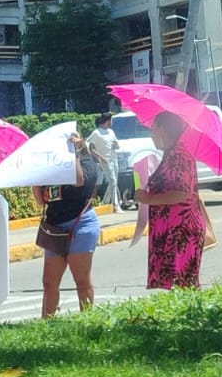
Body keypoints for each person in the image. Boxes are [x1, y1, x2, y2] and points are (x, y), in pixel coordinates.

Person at [33, 132, 108, 315]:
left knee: (81, 281)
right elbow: (41, 200)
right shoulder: (51, 165)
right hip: (55, 228)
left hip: (80, 225)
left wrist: (73, 153)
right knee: (49, 282)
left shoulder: (86, 161)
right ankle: (47, 324)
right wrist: (35, 178)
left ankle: (88, 321)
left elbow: (79, 180)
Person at [136, 111, 208, 290]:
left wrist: (149, 198)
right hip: (173, 230)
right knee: (179, 287)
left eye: (153, 127)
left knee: (184, 287)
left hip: (182, 231)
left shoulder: (179, 155)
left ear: (162, 129)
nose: (151, 131)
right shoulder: (170, 153)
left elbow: (181, 193)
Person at [87, 112, 129, 211]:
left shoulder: (111, 132)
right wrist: (100, 157)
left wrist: (116, 145)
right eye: (110, 120)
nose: (111, 123)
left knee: (113, 182)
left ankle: (105, 201)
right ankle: (116, 205)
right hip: (105, 161)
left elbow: (117, 145)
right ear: (107, 121)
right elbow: (91, 148)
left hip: (114, 159)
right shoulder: (96, 132)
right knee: (113, 181)